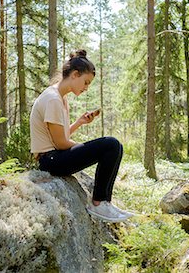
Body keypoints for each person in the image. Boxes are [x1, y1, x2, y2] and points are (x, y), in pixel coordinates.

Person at [30, 49, 133, 223]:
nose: (85, 88)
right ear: (75, 75)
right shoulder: (53, 99)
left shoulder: (61, 99)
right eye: (85, 83)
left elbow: (59, 137)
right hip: (49, 160)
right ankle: (98, 203)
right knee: (110, 145)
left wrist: (79, 123)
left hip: (54, 157)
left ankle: (105, 202)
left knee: (115, 146)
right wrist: (87, 148)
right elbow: (61, 143)